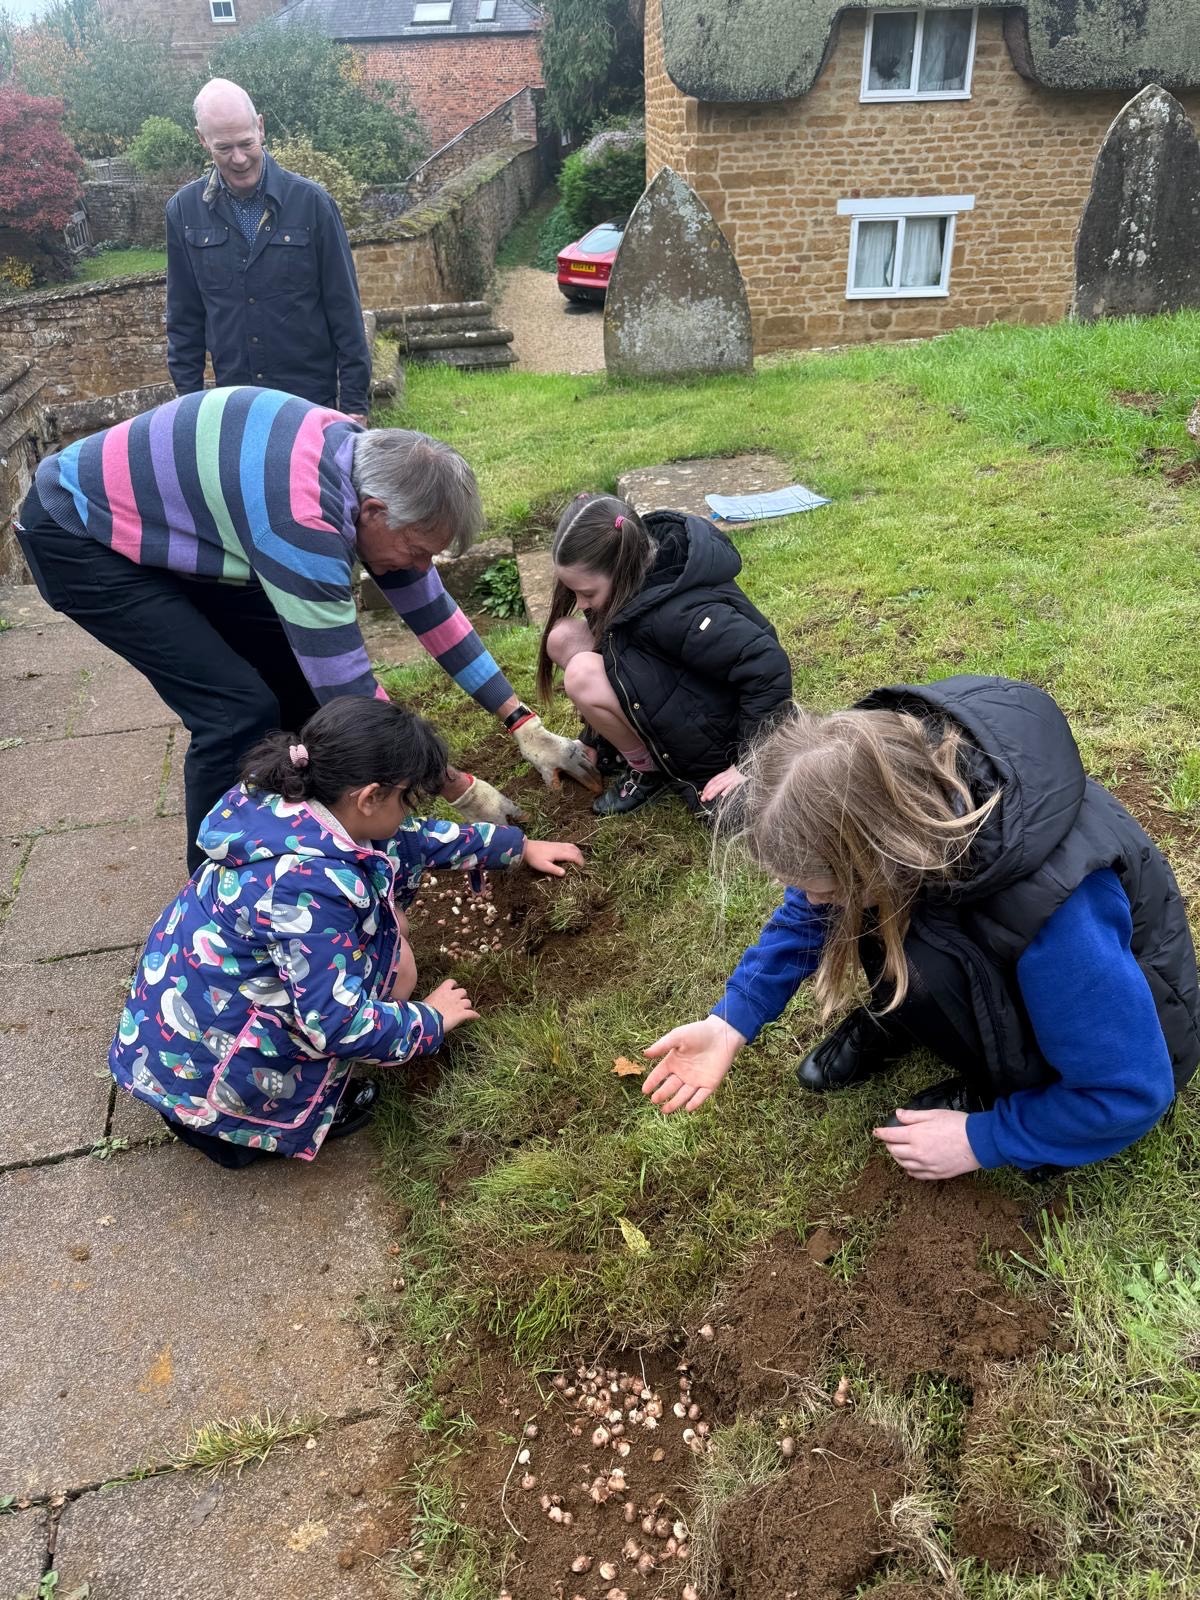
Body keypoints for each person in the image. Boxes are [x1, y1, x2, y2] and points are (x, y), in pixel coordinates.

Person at [642, 676, 1200, 1180]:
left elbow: (1129, 1093)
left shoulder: (1054, 916)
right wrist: (732, 1020)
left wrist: (983, 1138)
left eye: (822, 885)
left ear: (885, 850)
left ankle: (997, 1083)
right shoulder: (900, 801)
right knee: (868, 914)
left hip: (1116, 1040)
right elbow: (806, 916)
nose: (811, 902)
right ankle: (908, 1014)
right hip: (979, 939)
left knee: (903, 929)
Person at [15, 387, 595, 872]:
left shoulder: (362, 467)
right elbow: (347, 686)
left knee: (297, 695)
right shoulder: (302, 518)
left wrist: (521, 721)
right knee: (236, 708)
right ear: (371, 512)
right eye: (417, 551)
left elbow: (433, 611)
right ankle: (219, 892)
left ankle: (304, 846)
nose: (420, 568)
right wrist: (456, 787)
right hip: (81, 537)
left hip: (177, 529)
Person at [110, 696, 584, 1167]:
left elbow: (407, 840)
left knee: (388, 946)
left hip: (177, 1034)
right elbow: (337, 1025)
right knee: (393, 967)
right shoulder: (305, 890)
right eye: (407, 798)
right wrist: (430, 1021)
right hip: (210, 1086)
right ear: (370, 797)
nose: (409, 811)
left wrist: (516, 847)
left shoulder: (291, 808)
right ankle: (248, 1127)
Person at [535, 494, 794, 817]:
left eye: (587, 593)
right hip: (671, 688)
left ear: (621, 567)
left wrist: (749, 760)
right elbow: (614, 652)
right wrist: (596, 736)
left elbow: (766, 664)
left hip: (718, 733)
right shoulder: (629, 580)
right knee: (562, 637)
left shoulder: (678, 614)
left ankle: (648, 768)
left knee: (581, 675)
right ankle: (624, 747)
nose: (582, 604)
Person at [166, 78, 371, 421]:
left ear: (260, 127)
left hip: (312, 406)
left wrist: (353, 406)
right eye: (224, 148)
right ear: (202, 140)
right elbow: (184, 321)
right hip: (235, 409)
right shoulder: (183, 212)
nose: (239, 158)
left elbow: (345, 311)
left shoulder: (312, 204)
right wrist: (188, 411)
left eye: (246, 143)